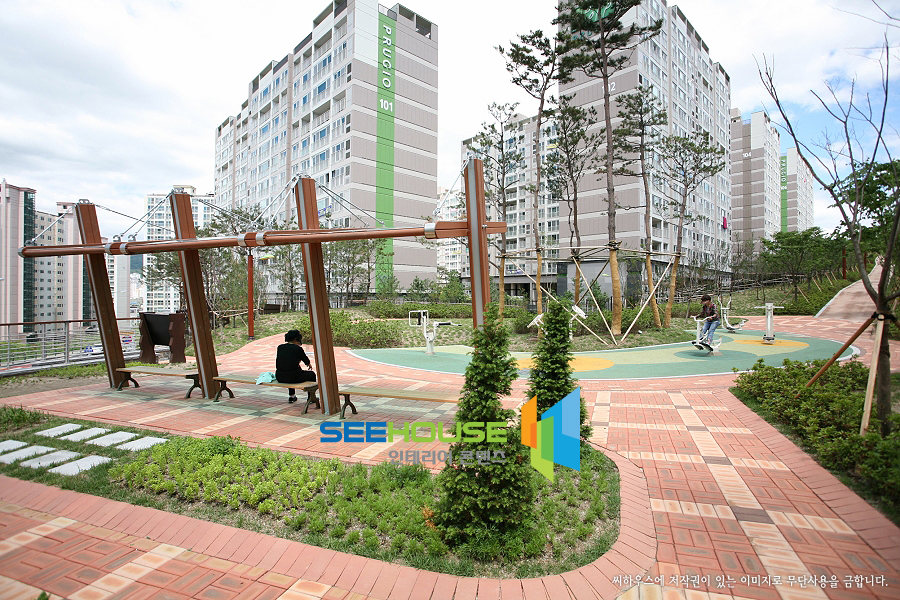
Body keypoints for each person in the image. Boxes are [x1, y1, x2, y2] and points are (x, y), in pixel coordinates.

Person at [275, 330, 316, 403]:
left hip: (280, 377)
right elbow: (306, 360)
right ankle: (311, 397)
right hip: (293, 377)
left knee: (289, 370)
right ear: (295, 339)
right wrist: (308, 364)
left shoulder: (280, 347)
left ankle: (292, 396)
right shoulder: (298, 349)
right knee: (311, 374)